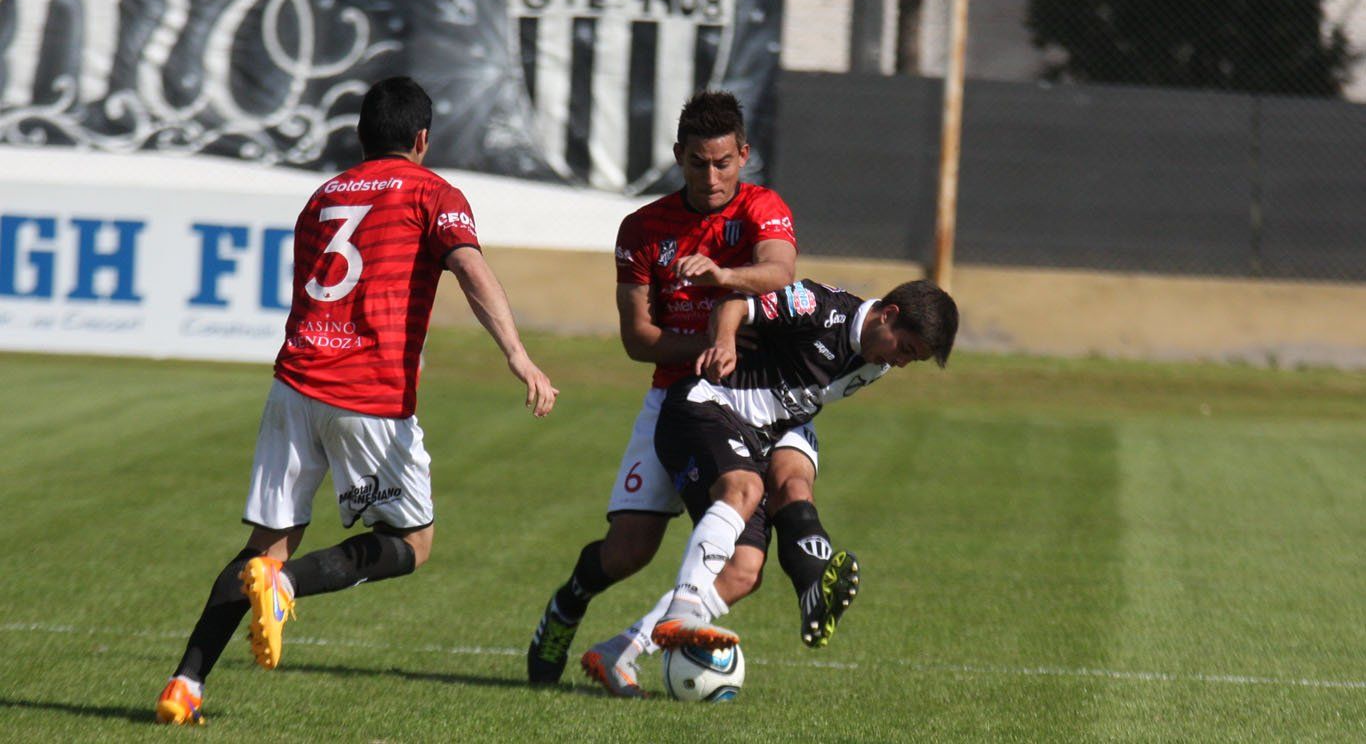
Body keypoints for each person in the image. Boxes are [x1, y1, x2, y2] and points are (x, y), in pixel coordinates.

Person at [155, 76, 558, 726]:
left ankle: (185, 684)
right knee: (412, 542)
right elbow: (469, 266)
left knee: (266, 544)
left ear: (361, 135)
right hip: (365, 392)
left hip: (294, 383)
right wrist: (517, 353)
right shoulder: (433, 192)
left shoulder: (323, 196)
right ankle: (286, 587)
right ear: (422, 138)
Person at [527, 90, 823, 697]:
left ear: (744, 155)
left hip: (752, 405)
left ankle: (628, 647)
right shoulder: (642, 229)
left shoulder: (762, 208)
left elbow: (780, 271)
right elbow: (638, 339)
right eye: (697, 163)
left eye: (723, 163)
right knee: (629, 550)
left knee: (744, 565)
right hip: (674, 400)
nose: (710, 178)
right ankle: (567, 605)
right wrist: (710, 343)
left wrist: (723, 277)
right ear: (677, 156)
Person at [648, 279, 957, 653]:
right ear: (887, 315)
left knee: (745, 569)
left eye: (913, 359)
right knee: (742, 490)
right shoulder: (819, 307)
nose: (901, 362)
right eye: (905, 349)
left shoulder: (877, 363)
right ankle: (682, 609)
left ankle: (621, 651)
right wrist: (725, 342)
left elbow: (800, 400)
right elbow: (735, 305)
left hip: (765, 432)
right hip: (709, 402)